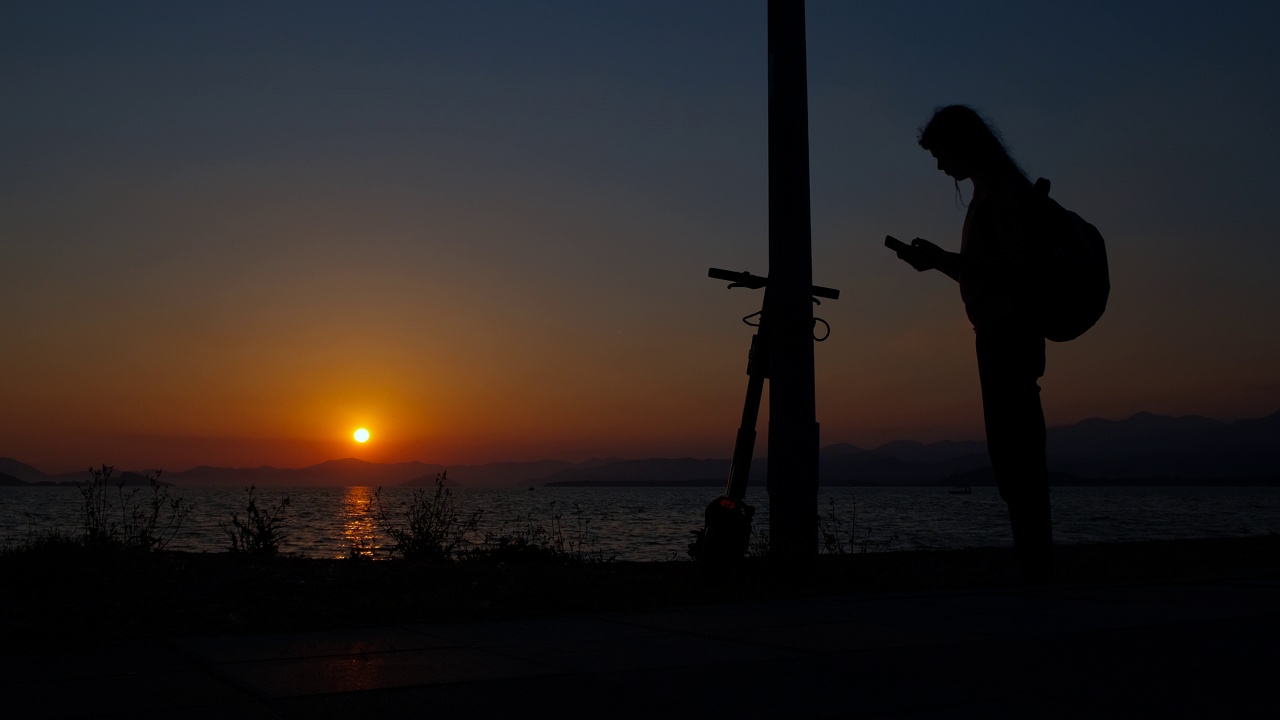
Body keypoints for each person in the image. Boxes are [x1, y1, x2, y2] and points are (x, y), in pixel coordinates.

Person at [891, 105, 1054, 578]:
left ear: (962, 147)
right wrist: (942, 260)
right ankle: (1033, 556)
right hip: (1005, 330)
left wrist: (946, 261)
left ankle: (1034, 560)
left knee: (1015, 449)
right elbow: (994, 269)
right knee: (1016, 445)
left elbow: (1014, 269)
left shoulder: (1000, 195)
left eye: (942, 155)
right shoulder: (998, 192)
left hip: (1007, 332)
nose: (941, 167)